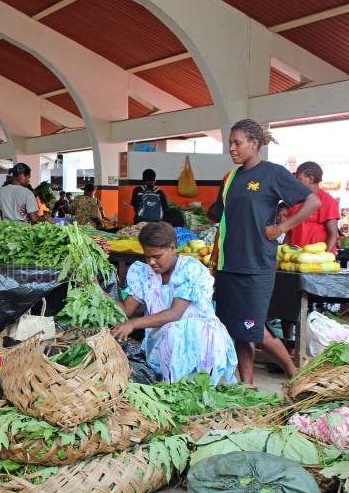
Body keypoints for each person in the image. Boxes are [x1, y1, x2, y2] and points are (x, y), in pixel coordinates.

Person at [207, 118, 321, 383]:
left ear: (254, 143)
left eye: (237, 143)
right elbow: (223, 221)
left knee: (254, 327)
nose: (232, 149)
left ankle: (295, 374)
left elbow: (312, 201)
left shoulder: (274, 173)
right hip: (228, 264)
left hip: (256, 265)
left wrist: (282, 228)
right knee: (237, 328)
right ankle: (246, 385)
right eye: (229, 143)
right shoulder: (230, 178)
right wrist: (214, 258)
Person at [111, 223, 238, 384]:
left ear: (172, 248)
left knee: (174, 334)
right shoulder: (144, 274)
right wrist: (97, 291)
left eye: (157, 256)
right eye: (147, 256)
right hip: (163, 343)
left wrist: (133, 324)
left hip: (197, 340)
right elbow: (125, 310)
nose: (151, 262)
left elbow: (175, 313)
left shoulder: (189, 269)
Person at [286, 161, 340, 252]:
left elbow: (333, 235)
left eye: (299, 179)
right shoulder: (295, 201)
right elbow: (290, 232)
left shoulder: (328, 201)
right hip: (295, 257)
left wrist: (324, 258)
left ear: (311, 179)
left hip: (318, 259)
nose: (296, 183)